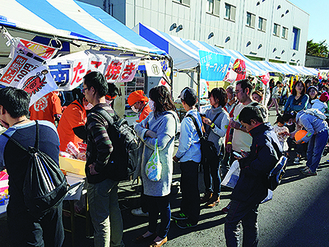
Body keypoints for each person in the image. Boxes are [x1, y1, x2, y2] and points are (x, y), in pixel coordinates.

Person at [0, 87, 64, 247]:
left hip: (24, 209)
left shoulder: (5, 140)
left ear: (3, 109)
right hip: (53, 199)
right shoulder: (49, 127)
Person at [225, 106, 282, 247]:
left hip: (249, 188)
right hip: (258, 188)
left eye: (245, 125)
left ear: (253, 121)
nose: (246, 129)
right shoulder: (268, 132)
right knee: (250, 222)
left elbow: (266, 160)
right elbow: (266, 158)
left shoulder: (262, 137)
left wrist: (245, 162)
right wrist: (250, 157)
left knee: (231, 223)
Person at [82, 71, 124, 247]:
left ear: (92, 89)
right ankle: (117, 243)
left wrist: (97, 167)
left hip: (101, 176)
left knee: (100, 219)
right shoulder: (109, 109)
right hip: (113, 171)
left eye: (84, 88)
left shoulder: (94, 116)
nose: (83, 92)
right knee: (113, 209)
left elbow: (106, 145)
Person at [134, 85, 178, 247]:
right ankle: (151, 229)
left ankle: (163, 234)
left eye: (152, 99)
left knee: (163, 202)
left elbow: (160, 143)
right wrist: (147, 132)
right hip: (148, 165)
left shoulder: (168, 118)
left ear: (159, 101)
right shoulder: (153, 115)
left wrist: (145, 135)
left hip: (160, 167)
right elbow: (138, 126)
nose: (149, 102)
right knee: (151, 201)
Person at [172, 87, 202, 229]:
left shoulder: (186, 120)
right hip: (195, 157)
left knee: (190, 190)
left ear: (183, 102)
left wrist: (177, 156)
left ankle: (192, 218)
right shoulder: (198, 115)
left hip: (188, 159)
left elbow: (184, 144)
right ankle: (185, 212)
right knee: (189, 188)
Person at [200, 88, 229, 208]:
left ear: (217, 99)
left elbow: (223, 133)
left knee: (214, 171)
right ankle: (208, 191)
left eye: (211, 96)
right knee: (205, 170)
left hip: (215, 148)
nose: (209, 98)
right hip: (206, 146)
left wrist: (211, 124)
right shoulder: (208, 110)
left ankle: (216, 196)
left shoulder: (224, 115)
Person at [283, 109, 329, 176]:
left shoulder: (302, 119)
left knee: (317, 152)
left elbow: (311, 132)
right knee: (309, 150)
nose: (287, 123)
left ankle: (313, 170)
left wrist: (301, 140)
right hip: (314, 132)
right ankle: (308, 166)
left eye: (287, 122)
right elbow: (298, 130)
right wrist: (289, 134)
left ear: (290, 119)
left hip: (321, 131)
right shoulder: (298, 119)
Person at [284, 80, 309, 164]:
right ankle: (288, 154)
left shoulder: (305, 96)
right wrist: (294, 107)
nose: (300, 87)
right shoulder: (291, 97)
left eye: (301, 86)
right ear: (294, 87)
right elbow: (285, 107)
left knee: (299, 137)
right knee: (288, 136)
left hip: (301, 120)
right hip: (291, 119)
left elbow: (302, 107)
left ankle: (298, 156)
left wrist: (292, 107)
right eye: (298, 85)